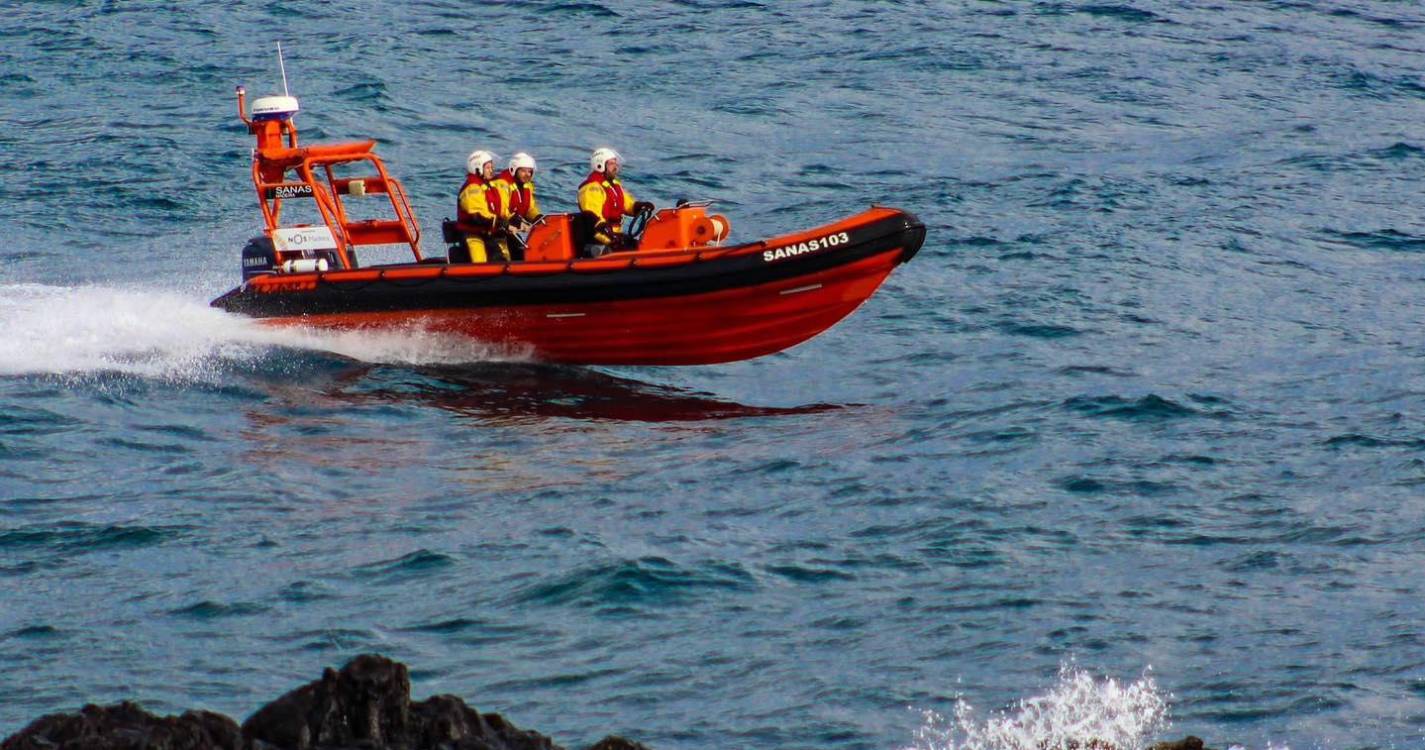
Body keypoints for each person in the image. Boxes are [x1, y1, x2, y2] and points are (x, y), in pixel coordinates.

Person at [577, 147, 654, 257]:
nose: (615, 167)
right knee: (629, 249)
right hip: (600, 239)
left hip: (614, 236)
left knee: (639, 245)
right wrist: (611, 239)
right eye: (611, 164)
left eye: (616, 163)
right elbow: (593, 220)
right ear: (600, 165)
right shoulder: (592, 188)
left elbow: (627, 204)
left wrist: (639, 207)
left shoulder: (613, 185)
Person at [455, 149, 510, 263]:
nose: (491, 170)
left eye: (492, 167)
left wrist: (511, 219)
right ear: (477, 168)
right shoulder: (472, 188)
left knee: (502, 259)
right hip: (473, 235)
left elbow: (498, 209)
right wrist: (497, 222)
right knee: (479, 261)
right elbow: (477, 216)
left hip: (488, 233)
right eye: (488, 168)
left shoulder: (489, 186)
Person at [493, 152, 542, 261]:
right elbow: (501, 211)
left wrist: (538, 218)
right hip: (497, 229)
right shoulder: (502, 184)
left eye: (530, 171)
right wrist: (518, 222)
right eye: (523, 171)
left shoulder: (527, 186)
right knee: (504, 257)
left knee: (521, 252)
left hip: (511, 228)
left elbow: (530, 208)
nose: (527, 174)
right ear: (514, 170)